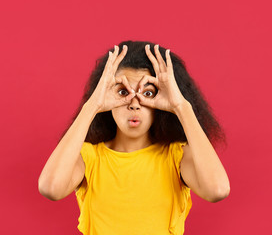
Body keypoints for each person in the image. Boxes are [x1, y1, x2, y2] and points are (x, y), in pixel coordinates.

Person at [38, 40, 230, 235]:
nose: (134, 104)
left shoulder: (176, 156)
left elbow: (217, 190)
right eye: (123, 92)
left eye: (147, 93)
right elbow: (51, 188)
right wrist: (91, 106)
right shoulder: (89, 157)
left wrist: (181, 106)